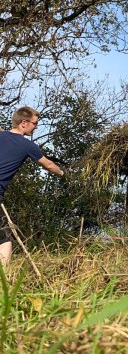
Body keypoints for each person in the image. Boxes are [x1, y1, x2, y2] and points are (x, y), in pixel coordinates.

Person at [0, 106, 65, 265]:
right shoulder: (28, 146)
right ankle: (4, 280)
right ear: (23, 123)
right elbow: (49, 165)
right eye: (35, 123)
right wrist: (64, 174)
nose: (36, 127)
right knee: (3, 239)